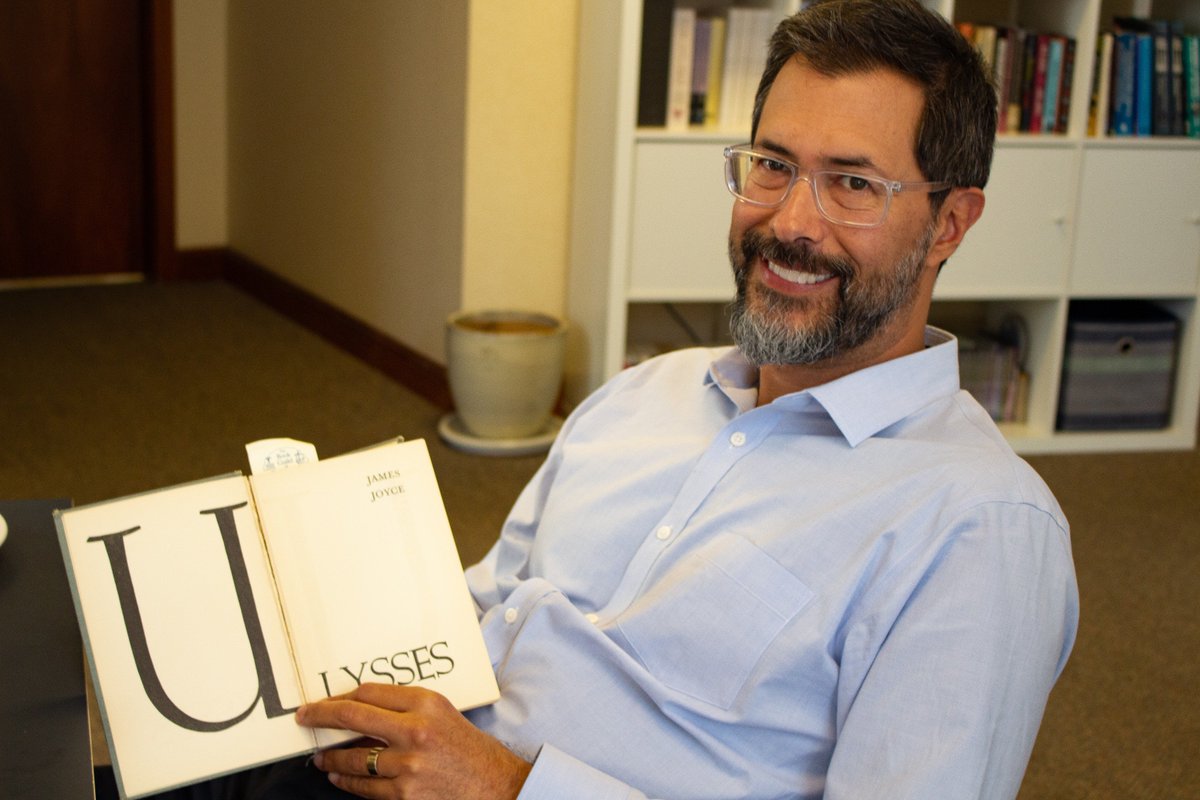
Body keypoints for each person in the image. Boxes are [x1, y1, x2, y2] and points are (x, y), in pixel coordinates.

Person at [162, 1, 1078, 798]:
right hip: (389, 763)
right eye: (771, 165)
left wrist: (507, 788)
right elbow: (487, 610)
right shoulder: (648, 394)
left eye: (852, 185)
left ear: (950, 223)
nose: (792, 223)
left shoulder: (979, 532)